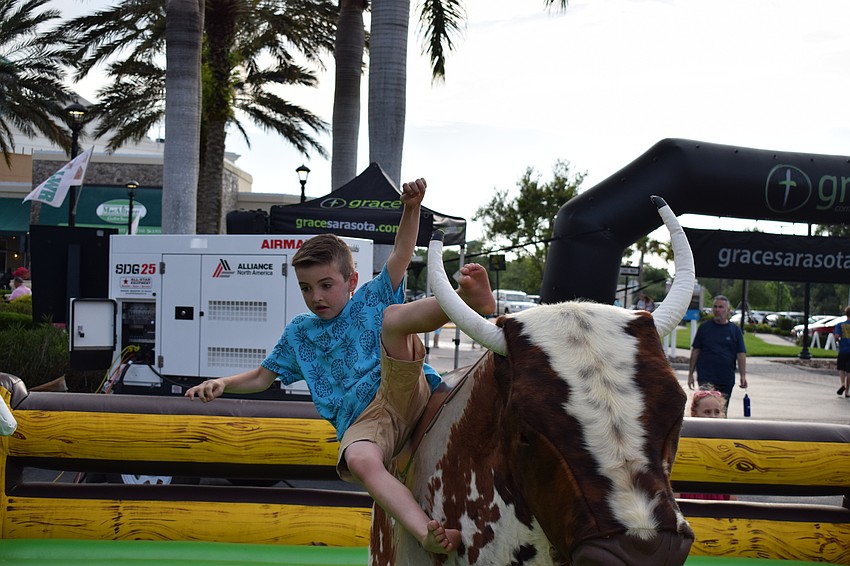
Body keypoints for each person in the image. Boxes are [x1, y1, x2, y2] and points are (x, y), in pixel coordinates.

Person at [185, 178, 495, 555]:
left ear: (351, 281)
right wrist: (223, 383)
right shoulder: (299, 333)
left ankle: (465, 300)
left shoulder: (370, 298)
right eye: (306, 288)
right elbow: (262, 377)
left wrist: (411, 208)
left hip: (401, 384)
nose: (316, 296)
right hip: (364, 422)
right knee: (359, 459)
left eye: (326, 285)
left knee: (393, 318)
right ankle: (428, 533)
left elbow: (401, 252)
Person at [687, 294, 747, 411]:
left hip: (726, 378)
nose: (717, 310)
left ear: (728, 310)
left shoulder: (735, 331)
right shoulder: (704, 328)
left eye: (721, 307)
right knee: (705, 409)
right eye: (715, 307)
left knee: (721, 410)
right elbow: (696, 351)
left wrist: (743, 376)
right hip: (706, 377)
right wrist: (690, 374)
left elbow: (741, 354)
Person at [678, 386, 736, 501]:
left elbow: (732, 479)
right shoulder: (686, 441)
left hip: (718, 495)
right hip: (691, 494)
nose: (713, 416)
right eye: (707, 412)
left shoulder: (726, 442)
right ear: (694, 414)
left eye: (717, 412)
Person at [832, 306, 850, 397]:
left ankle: (842, 384)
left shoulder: (840, 325)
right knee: (849, 371)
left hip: (843, 349)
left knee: (841, 368)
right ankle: (847, 391)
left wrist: (838, 341)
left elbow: (836, 336)